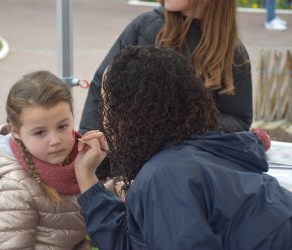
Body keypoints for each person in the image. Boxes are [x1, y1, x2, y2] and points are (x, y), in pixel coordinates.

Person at [74, 46, 292, 249]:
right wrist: (88, 179)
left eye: (107, 104)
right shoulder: (204, 148)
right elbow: (139, 242)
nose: (103, 117)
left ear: (129, 115)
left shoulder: (166, 176)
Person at [80, 0, 254, 179]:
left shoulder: (233, 52)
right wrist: (92, 162)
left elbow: (238, 120)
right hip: (125, 173)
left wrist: (184, 125)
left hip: (185, 175)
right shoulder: (146, 27)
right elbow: (103, 88)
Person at [0, 71, 92, 249]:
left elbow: (70, 208)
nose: (55, 140)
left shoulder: (67, 158)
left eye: (62, 126)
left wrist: (110, 186)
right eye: (40, 132)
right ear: (15, 131)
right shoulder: (10, 190)